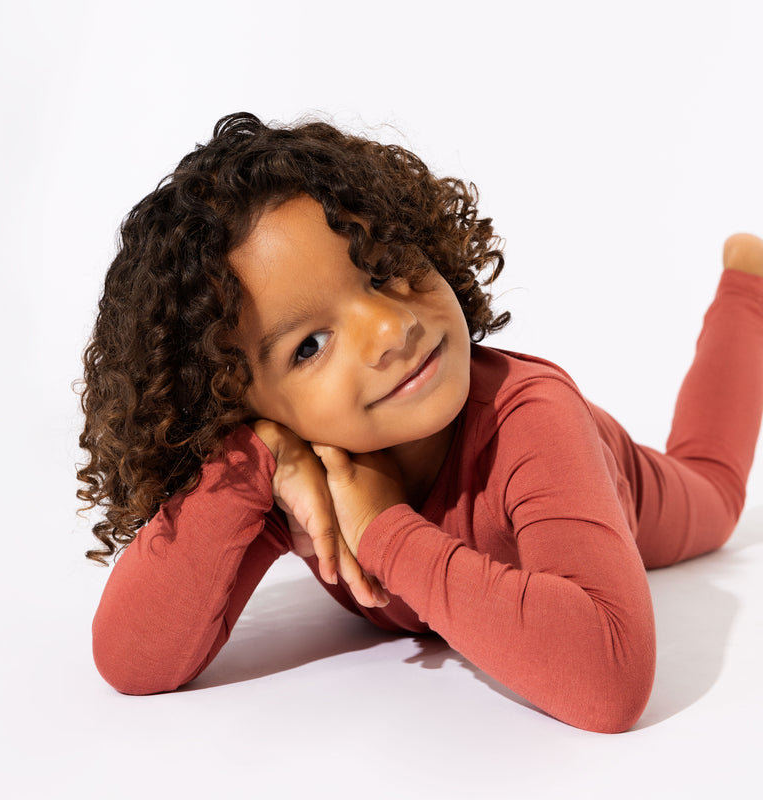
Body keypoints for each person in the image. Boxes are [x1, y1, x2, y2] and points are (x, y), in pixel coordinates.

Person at [78, 112, 763, 733]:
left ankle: (750, 286)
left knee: (713, 488)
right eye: (309, 346)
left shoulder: (534, 419)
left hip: (601, 471)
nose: (390, 328)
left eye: (382, 270)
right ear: (240, 404)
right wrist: (253, 463)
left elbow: (609, 678)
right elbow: (132, 661)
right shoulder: (294, 478)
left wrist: (386, 533)